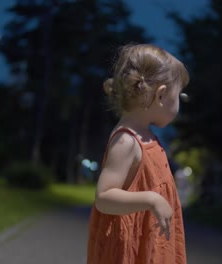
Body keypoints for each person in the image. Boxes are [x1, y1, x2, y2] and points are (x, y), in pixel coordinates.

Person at [87, 43, 189, 264]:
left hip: (150, 245)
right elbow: (104, 197)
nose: (179, 102)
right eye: (179, 95)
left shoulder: (147, 136)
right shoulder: (127, 141)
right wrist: (150, 199)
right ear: (161, 95)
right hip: (128, 252)